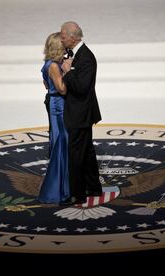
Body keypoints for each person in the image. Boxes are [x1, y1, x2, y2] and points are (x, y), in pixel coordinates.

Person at [59, 21, 103, 205]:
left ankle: (78, 194)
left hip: (80, 114)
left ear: (73, 36)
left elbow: (82, 88)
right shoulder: (75, 53)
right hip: (82, 112)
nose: (61, 38)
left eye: (63, 35)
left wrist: (67, 72)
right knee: (86, 152)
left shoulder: (86, 57)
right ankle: (93, 187)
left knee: (76, 154)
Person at [38, 32, 71, 204]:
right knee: (62, 144)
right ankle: (60, 190)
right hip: (59, 107)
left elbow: (46, 84)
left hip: (54, 104)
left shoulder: (48, 64)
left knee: (61, 142)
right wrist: (66, 71)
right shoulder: (54, 66)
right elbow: (62, 89)